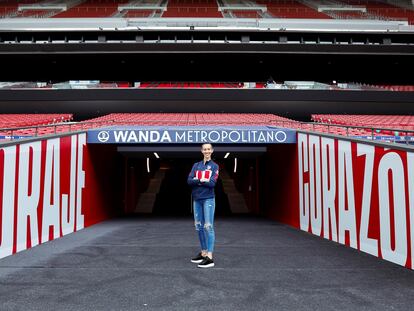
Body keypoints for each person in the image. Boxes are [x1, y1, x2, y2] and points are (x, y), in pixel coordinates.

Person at [187, 143, 219, 268]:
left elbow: (212, 183)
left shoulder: (215, 166)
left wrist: (198, 179)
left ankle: (210, 257)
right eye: (204, 149)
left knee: (208, 226)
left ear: (212, 151)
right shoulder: (196, 165)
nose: (206, 151)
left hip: (208, 199)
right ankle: (204, 252)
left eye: (208, 149)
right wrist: (203, 179)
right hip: (197, 199)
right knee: (198, 226)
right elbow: (189, 180)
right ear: (201, 151)